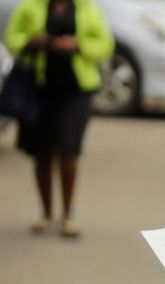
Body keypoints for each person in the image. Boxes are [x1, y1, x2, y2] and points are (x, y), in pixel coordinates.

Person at [4, 0, 113, 238]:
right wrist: (34, 41)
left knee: (69, 149)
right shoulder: (30, 6)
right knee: (42, 152)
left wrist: (78, 46)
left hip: (76, 90)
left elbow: (105, 45)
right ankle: (45, 213)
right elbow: (11, 38)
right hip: (39, 88)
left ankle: (68, 215)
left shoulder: (87, 8)